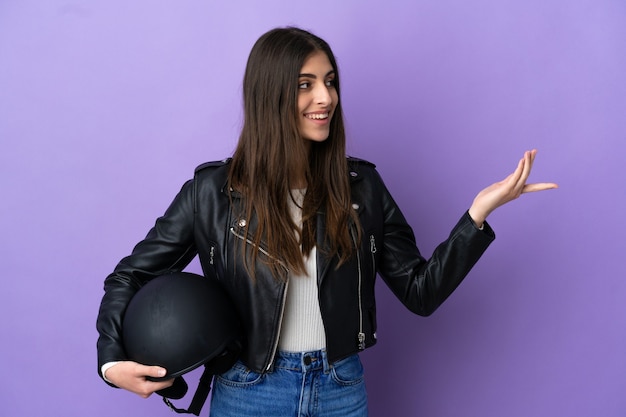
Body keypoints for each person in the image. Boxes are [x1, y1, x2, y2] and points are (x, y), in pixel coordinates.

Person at [96, 26, 557, 416]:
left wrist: (477, 214)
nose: (326, 97)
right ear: (270, 94)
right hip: (248, 391)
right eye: (306, 84)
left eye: (330, 81)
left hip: (341, 387)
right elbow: (131, 275)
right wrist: (111, 362)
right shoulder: (213, 193)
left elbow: (421, 292)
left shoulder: (362, 187)